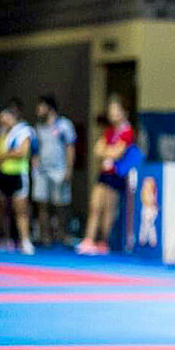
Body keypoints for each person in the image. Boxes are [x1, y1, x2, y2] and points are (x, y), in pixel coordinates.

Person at [77, 95, 134, 255]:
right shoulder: (109, 132)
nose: (112, 113)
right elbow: (97, 150)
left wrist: (108, 151)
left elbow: (118, 153)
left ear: (124, 112)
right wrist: (109, 151)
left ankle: (104, 242)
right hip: (104, 174)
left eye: (116, 110)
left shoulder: (128, 131)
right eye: (111, 110)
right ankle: (89, 240)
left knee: (108, 210)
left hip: (117, 175)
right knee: (95, 205)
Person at [0, 102, 36, 255]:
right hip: (3, 174)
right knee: (3, 208)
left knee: (21, 209)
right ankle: (6, 239)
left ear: (12, 117)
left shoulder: (24, 131)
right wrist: (9, 154)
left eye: (4, 119)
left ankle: (25, 241)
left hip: (18, 174)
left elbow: (22, 152)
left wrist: (4, 155)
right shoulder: (1, 132)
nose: (2, 122)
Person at [31, 95, 76, 247]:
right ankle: (45, 236)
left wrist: (69, 169)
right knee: (41, 203)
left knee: (61, 204)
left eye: (40, 107)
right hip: (42, 171)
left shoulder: (64, 125)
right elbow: (35, 148)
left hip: (59, 170)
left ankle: (64, 235)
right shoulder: (38, 126)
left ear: (49, 108)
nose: (37, 110)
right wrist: (35, 165)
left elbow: (70, 147)